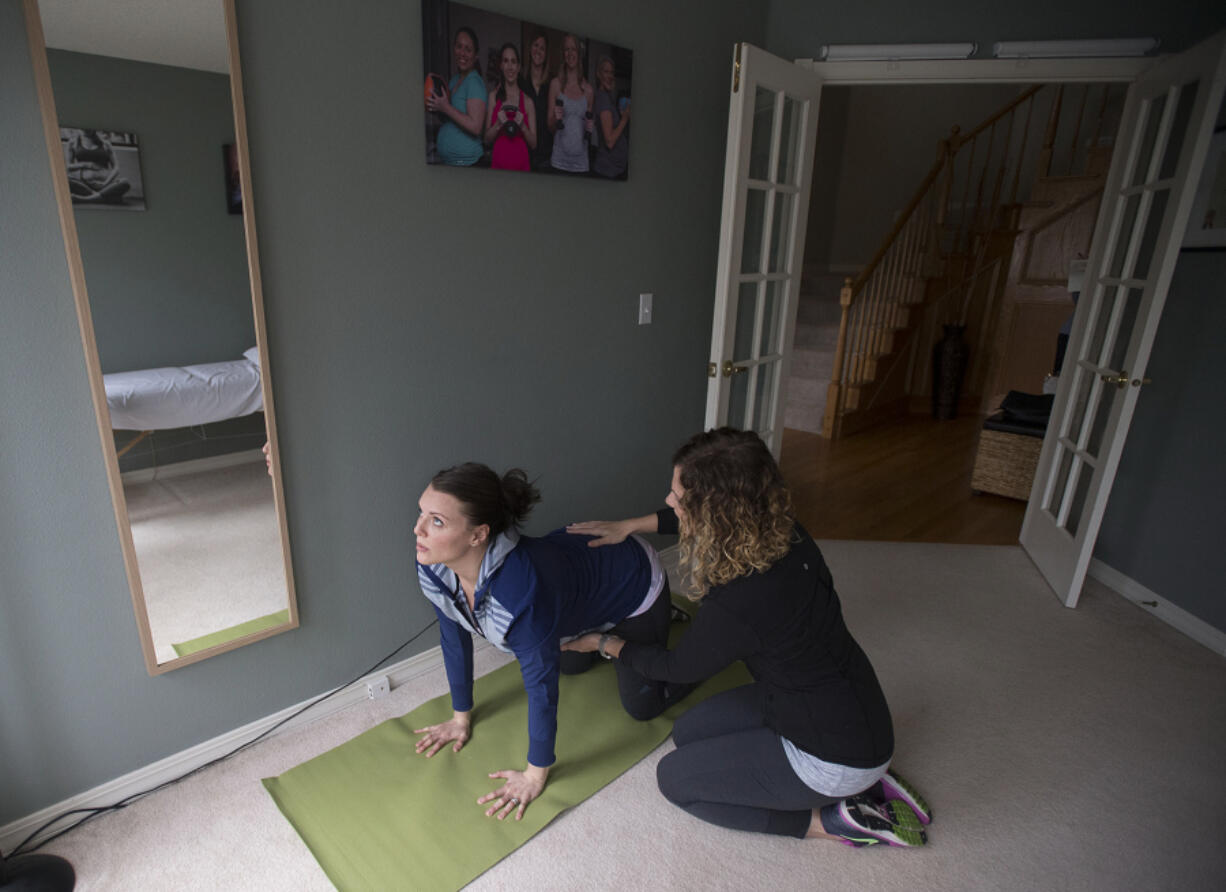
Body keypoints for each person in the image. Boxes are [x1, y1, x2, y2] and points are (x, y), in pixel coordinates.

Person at [563, 428, 933, 846]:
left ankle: (834, 820)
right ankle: (866, 780)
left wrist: (604, 644)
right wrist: (631, 525)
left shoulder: (742, 601)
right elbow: (683, 518)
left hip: (831, 756)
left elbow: (674, 667)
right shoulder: (787, 532)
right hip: (843, 708)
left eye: (677, 498)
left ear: (715, 514)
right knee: (686, 733)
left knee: (675, 779)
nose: (668, 502)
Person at [411, 463, 692, 820]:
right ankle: (606, 638)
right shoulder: (433, 562)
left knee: (642, 708)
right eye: (422, 514)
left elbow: (541, 688)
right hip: (574, 599)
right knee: (568, 665)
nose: (417, 529)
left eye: (436, 521)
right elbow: (452, 635)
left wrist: (535, 774)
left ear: (478, 535)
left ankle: (679, 639)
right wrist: (459, 718)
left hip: (632, 584)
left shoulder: (519, 594)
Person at [426, 27, 487, 166]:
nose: (462, 53)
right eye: (459, 46)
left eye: (468, 49)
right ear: (454, 48)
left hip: (468, 163)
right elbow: (450, 117)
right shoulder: (454, 80)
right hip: (451, 163)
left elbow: (476, 127)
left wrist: (446, 107)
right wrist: (435, 105)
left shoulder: (475, 83)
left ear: (475, 55)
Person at [484, 43, 536, 172]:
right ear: (501, 66)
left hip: (521, 167)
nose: (510, 67)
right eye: (506, 61)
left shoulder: (528, 101)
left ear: (518, 67)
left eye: (513, 62)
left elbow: (534, 144)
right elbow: (486, 140)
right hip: (499, 167)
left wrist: (523, 126)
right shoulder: (493, 97)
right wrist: (497, 124)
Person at [546, 34, 593, 174]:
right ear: (563, 54)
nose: (570, 53)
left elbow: (587, 132)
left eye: (573, 49)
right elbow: (549, 126)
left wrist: (589, 127)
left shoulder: (589, 91)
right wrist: (555, 117)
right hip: (559, 162)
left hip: (581, 164)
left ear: (579, 53)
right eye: (567, 49)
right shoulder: (555, 84)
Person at [592, 56, 630, 179]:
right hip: (608, 170)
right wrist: (624, 119)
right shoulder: (603, 99)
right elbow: (609, 141)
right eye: (606, 72)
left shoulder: (606, 97)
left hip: (612, 170)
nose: (610, 76)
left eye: (612, 72)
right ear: (598, 74)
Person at [523, 33, 554, 170]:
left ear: (546, 54)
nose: (538, 51)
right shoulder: (520, 81)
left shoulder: (553, 83)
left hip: (547, 156)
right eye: (536, 45)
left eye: (542, 48)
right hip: (524, 154)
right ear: (530, 48)